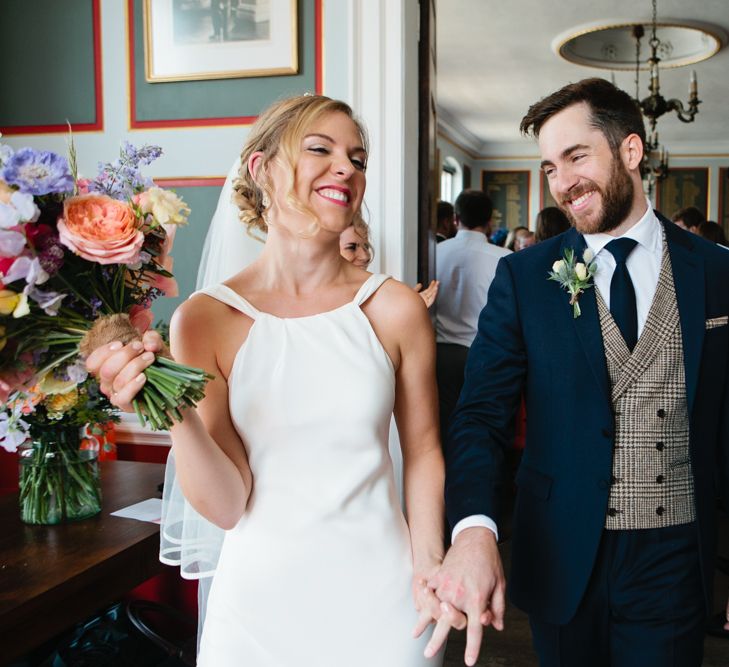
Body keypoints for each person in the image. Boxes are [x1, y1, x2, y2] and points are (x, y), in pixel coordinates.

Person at [87, 95, 462, 666]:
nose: (347, 168)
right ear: (261, 170)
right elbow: (228, 504)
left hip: (385, 599)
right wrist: (176, 413)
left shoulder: (392, 307)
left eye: (357, 159)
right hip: (258, 611)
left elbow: (425, 451)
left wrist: (430, 561)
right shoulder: (205, 318)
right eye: (321, 149)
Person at [427, 78, 729, 666]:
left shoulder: (717, 273)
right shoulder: (524, 277)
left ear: (631, 152)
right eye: (548, 168)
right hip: (561, 550)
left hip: (673, 556)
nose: (562, 183)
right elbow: (480, 417)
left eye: (575, 157)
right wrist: (473, 528)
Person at [434, 189, 510, 439]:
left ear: (456, 218)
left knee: (442, 425)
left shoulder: (435, 252)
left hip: (440, 352)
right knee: (479, 426)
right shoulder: (504, 259)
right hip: (482, 353)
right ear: (490, 222)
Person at [339, 220, 440, 308]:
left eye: (366, 246)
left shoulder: (374, 293)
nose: (365, 256)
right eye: (351, 248)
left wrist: (408, 310)